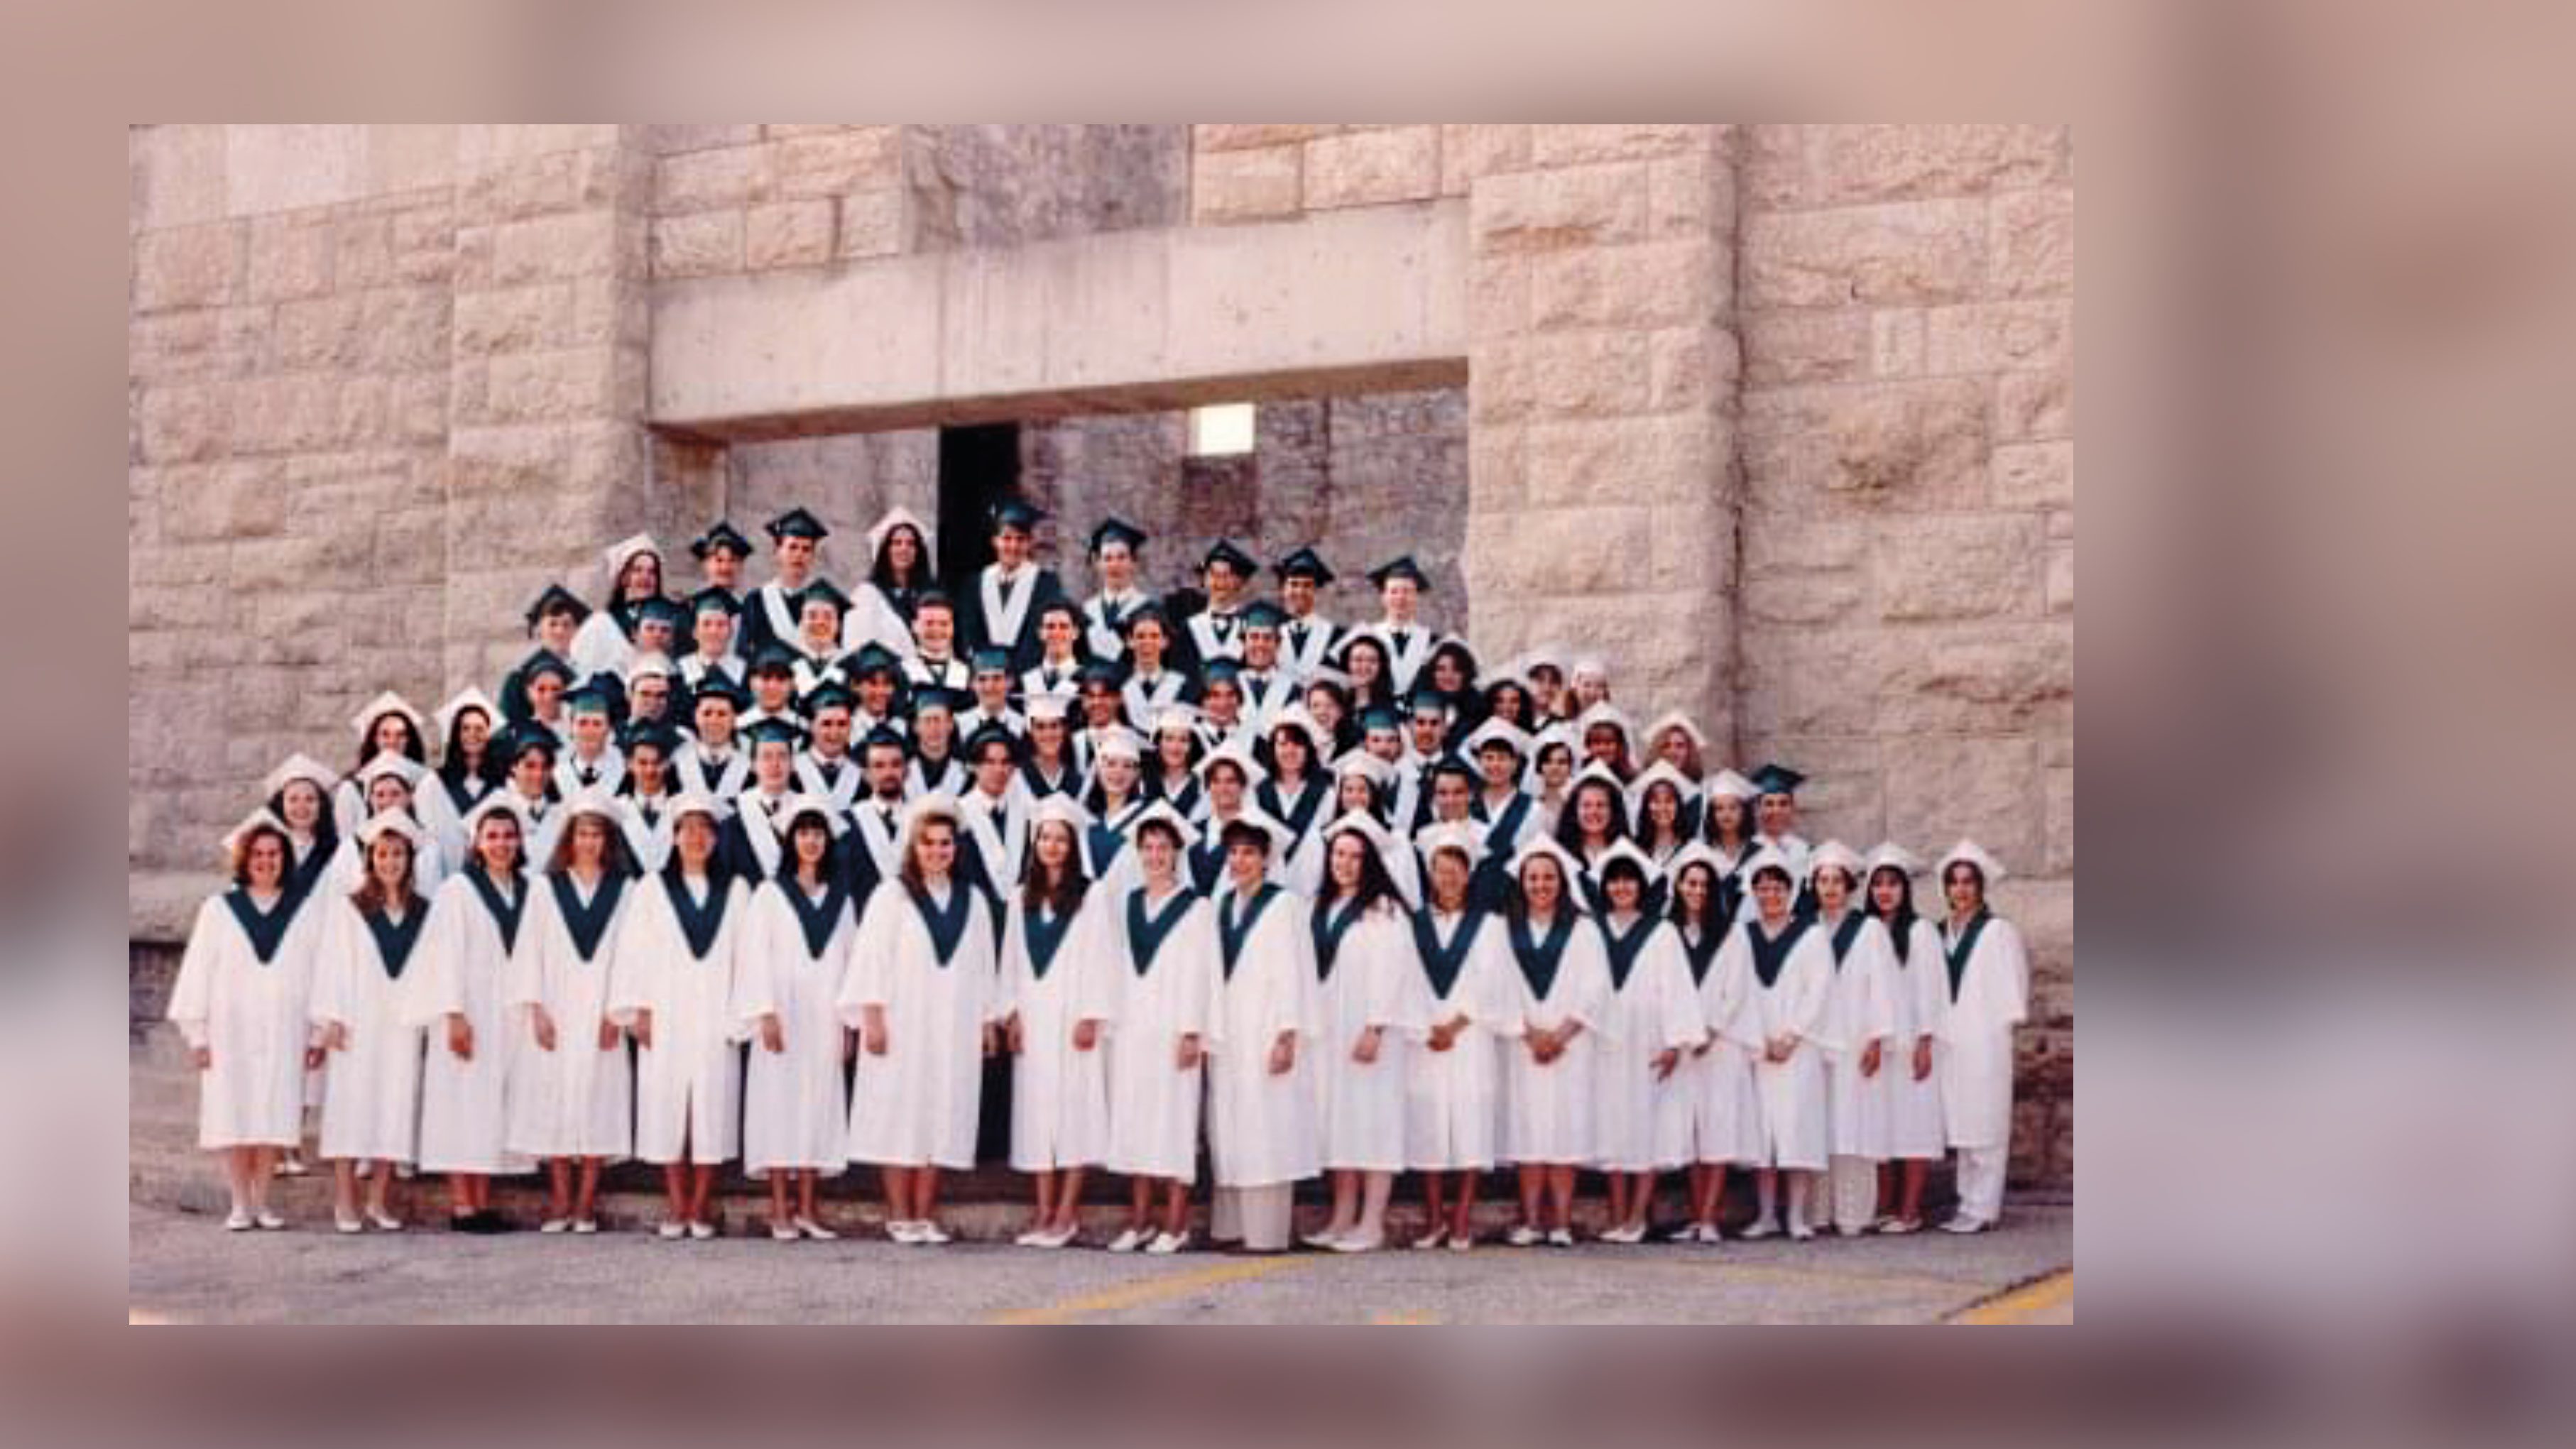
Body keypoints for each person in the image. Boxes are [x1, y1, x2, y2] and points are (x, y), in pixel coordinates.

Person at [841, 795, 998, 1246]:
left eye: (945, 844)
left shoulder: (974, 901)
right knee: (899, 1113)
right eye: (928, 843)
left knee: (940, 1114)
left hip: (953, 1025)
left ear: (956, 848)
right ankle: (899, 1212)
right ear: (914, 846)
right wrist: (871, 1017)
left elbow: (983, 966)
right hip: (901, 1022)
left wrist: (987, 1022)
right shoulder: (892, 895)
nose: (937, 852)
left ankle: (926, 1214)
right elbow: (872, 959)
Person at [168, 809, 327, 1231]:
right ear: (244, 859)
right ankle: (239, 1203)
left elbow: (319, 973)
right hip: (229, 1031)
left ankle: (262, 1202)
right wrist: (198, 1035)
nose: (266, 861)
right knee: (234, 1114)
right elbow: (198, 971)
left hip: (285, 1030)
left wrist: (316, 1032)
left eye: (274, 854)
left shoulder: (305, 910)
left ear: (284, 860)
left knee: (273, 1115)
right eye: (258, 854)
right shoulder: (219, 909)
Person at [609, 793, 751, 1240]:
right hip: (665, 1011)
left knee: (711, 1107)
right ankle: (675, 1205)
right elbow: (633, 952)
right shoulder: (652, 889)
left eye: (704, 829)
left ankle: (700, 1206)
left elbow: (747, 959)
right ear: (673, 837)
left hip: (715, 1013)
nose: (696, 837)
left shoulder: (736, 890)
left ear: (715, 837)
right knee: (668, 1108)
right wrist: (640, 1011)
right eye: (687, 828)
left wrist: (739, 1014)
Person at [506, 792, 635, 1235]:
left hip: (601, 1009)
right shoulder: (546, 888)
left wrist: (616, 1014)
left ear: (608, 840)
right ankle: (560, 1199)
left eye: (597, 833)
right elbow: (530, 951)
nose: (589, 841)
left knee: (599, 1099)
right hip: (557, 1009)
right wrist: (537, 1009)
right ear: (570, 837)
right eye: (582, 832)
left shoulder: (625, 890)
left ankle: (586, 1203)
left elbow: (631, 956)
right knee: (554, 1098)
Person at [407, 794, 537, 1232]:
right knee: (461, 1104)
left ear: (520, 841)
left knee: (490, 1107)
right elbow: (442, 958)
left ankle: (483, 1201)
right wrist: (453, 1015)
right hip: (469, 1011)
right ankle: (463, 1203)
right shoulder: (457, 892)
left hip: (509, 1016)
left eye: (508, 835)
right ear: (477, 842)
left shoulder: (529, 889)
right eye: (492, 836)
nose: (501, 843)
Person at [735, 796, 857, 1242]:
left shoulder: (840, 898)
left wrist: (848, 1025)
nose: (811, 841)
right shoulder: (770, 894)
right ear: (790, 840)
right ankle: (780, 1209)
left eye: (818, 833)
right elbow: (754, 957)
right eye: (803, 833)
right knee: (779, 1107)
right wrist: (764, 1012)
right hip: (783, 1015)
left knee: (817, 1106)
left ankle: (808, 1208)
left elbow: (850, 962)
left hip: (824, 1015)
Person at [1098, 802, 1218, 1255]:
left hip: (1174, 1030)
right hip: (1133, 1029)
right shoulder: (1127, 905)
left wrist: (1193, 1032)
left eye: (1163, 848)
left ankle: (1177, 1222)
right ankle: (1140, 1221)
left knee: (1173, 1123)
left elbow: (1201, 974)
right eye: (1147, 848)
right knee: (1134, 1122)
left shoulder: (1197, 907)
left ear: (1176, 853)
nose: (1154, 856)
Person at [1304, 813, 1426, 1254]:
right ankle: (1341, 1218)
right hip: (1332, 1034)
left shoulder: (1384, 911)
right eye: (1339, 854)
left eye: (1356, 857)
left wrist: (1376, 1027)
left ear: (1370, 862)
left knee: (1373, 1125)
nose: (1346, 863)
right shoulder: (1320, 905)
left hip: (1370, 1034)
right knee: (1341, 1126)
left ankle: (1371, 1222)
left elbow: (1393, 975)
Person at [998, 797, 1117, 1249]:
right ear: (1035, 843)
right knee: (1035, 1116)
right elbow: (1009, 960)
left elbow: (1102, 958)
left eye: (1061, 838)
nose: (1052, 845)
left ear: (1073, 844)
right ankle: (1043, 1211)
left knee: (1074, 1112)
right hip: (1033, 1021)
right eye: (1045, 837)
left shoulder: (1093, 894)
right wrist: (1010, 1013)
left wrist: (1091, 1015)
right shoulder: (1018, 898)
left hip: (1073, 1021)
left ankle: (1067, 1212)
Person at [1201, 811, 1322, 1254]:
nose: (1239, 861)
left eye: (1249, 853)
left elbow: (1294, 972)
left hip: (1267, 1029)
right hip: (1230, 1032)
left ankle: (1267, 1234)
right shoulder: (1221, 905)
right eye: (1233, 852)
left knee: (1267, 1129)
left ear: (1266, 858)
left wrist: (1288, 1035)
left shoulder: (1284, 904)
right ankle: (1231, 1227)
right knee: (1229, 1126)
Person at [311, 811, 432, 1233]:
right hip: (358, 1022)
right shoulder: (350, 908)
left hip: (401, 1024)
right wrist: (332, 1019)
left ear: (409, 860)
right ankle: (345, 1201)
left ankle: (379, 1200)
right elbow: (332, 965)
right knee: (351, 1107)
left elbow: (429, 969)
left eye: (398, 854)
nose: (390, 862)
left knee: (393, 1106)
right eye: (382, 854)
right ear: (370, 859)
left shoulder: (423, 911)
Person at [1587, 843, 1707, 1245]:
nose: (1622, 887)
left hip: (1648, 1043)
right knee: (1613, 1130)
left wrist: (1676, 1043)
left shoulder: (1661, 931)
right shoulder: (1592, 928)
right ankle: (1618, 1217)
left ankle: (1638, 1217)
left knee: (1647, 1130)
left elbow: (1677, 989)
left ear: (1641, 886)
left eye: (1629, 880)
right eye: (1615, 880)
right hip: (1607, 1044)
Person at [1497, 837, 1612, 1248]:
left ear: (1561, 883)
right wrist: (1530, 1034)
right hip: (1523, 1045)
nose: (1541, 884)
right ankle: (1530, 1220)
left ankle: (1561, 1222)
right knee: (1528, 1134)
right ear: (1522, 882)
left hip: (1570, 1047)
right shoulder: (1505, 928)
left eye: (1548, 877)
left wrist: (1560, 1036)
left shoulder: (1582, 929)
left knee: (1565, 1131)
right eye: (1533, 877)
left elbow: (1595, 988)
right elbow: (1499, 987)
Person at [1403, 824, 1513, 1252]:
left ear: (1468, 875)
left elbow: (1494, 983)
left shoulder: (1488, 926)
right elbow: (1405, 980)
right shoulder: (1413, 925)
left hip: (1469, 1038)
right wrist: (1428, 1024)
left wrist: (1456, 1024)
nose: (1447, 878)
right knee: (1429, 1126)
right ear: (1430, 873)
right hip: (1425, 1038)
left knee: (1470, 1124)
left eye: (1455, 870)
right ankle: (1434, 1219)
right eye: (1440, 870)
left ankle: (1463, 1216)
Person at [1728, 848, 1838, 1241]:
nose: (1770, 895)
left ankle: (1796, 1216)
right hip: (1758, 1049)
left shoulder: (1810, 937)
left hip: (1798, 1048)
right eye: (1763, 888)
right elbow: (1739, 993)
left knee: (1797, 1131)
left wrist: (1791, 1036)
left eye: (1777, 888)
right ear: (1754, 893)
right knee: (1763, 1137)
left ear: (1790, 892)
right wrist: (1761, 1040)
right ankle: (1765, 1215)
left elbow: (1819, 991)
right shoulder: (1744, 936)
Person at [1928, 841, 2030, 1235]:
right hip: (1950, 1042)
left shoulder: (1998, 931)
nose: (1961, 890)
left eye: (1969, 882)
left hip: (1985, 1038)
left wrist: (1998, 1030)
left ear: (1981, 886)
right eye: (1953, 882)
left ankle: (1984, 1206)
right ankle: (1965, 1202)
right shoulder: (1939, 933)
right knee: (1962, 1124)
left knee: (1986, 1123)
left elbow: (2013, 987)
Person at [1664, 844, 1762, 1244]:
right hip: (1685, 1045)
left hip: (1720, 1046)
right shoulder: (1667, 932)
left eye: (1705, 884)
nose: (1698, 890)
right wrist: (1685, 1033)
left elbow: (1735, 990)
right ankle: (1695, 1215)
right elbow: (1665, 989)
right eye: (1691, 882)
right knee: (1692, 1132)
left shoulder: (1733, 933)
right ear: (1679, 886)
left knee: (1718, 1129)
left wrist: (1710, 1030)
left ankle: (1709, 1218)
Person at [1809, 841, 1898, 1237]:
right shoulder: (1806, 927)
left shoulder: (1870, 930)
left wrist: (1879, 1039)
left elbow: (1884, 987)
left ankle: (1854, 1214)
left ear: (1848, 886)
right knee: (1819, 1126)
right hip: (1816, 1041)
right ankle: (1818, 1212)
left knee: (1855, 1128)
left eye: (1836, 881)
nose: (1829, 888)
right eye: (1822, 881)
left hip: (1857, 1039)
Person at [1865, 843, 1948, 1234]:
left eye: (1892, 884)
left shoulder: (1921, 932)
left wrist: (1926, 1043)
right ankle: (1886, 1205)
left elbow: (1932, 991)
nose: (1885, 891)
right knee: (1883, 1129)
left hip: (1913, 1044)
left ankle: (1911, 1210)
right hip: (1880, 1047)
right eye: (1878, 884)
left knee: (1913, 1128)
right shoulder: (1866, 932)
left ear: (1905, 890)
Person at [960, 499, 1069, 670]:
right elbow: (970, 633)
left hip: (1029, 675)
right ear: (995, 541)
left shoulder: (1045, 583)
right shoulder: (976, 583)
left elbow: (1041, 634)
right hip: (986, 676)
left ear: (1030, 543)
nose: (1013, 546)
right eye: (1007, 538)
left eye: (1021, 539)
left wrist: (1017, 673)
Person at [570, 534, 667, 681]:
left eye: (652, 572)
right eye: (637, 570)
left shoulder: (669, 621)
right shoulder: (601, 625)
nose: (645, 577)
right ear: (623, 577)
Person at [334, 691, 430, 836]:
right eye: (385, 734)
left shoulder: (425, 783)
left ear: (410, 740)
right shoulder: (353, 788)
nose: (393, 741)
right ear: (373, 739)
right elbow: (346, 838)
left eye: (401, 735)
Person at [741, 506, 829, 661]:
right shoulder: (757, 601)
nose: (799, 555)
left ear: (813, 556)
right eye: (792, 547)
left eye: (806, 549)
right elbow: (743, 654)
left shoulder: (824, 602)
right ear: (777, 551)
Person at [851, 506, 936, 655]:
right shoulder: (868, 595)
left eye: (911, 543)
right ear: (885, 550)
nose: (904, 549)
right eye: (897, 543)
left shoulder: (930, 593)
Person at [1360, 557, 1440, 696]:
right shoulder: (1367, 637)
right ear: (1383, 598)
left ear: (1416, 597)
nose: (1400, 598)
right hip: (1378, 715)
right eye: (1394, 592)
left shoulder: (1433, 642)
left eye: (1407, 592)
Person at [1079, 517, 1151, 662]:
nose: (1115, 565)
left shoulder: (1149, 609)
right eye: (1108, 558)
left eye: (1122, 557)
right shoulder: (1086, 612)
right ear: (1097, 564)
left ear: (1134, 562)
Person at [1184, 539, 1258, 667]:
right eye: (1214, 575)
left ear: (1239, 581)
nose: (1220, 582)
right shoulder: (1189, 629)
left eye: (1227, 575)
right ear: (1204, 580)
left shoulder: (1251, 629)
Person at [1271, 547, 1340, 682]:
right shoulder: (1269, 633)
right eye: (1294, 584)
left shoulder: (1334, 635)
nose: (1300, 591)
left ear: (1316, 591)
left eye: (1307, 586)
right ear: (1283, 590)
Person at [1119, 606, 1195, 722]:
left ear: (1165, 642)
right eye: (1140, 637)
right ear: (1129, 641)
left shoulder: (1181, 685)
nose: (1147, 642)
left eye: (1154, 636)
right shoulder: (1119, 685)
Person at [1021, 600, 1089, 702]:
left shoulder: (1089, 682)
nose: (1056, 633)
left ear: (1076, 633)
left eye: (1064, 627)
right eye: (1050, 627)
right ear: (1040, 633)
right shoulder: (1023, 681)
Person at [689, 520, 754, 603]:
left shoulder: (746, 606)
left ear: (741, 565)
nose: (725, 567)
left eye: (732, 560)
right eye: (719, 560)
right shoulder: (695, 604)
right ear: (705, 564)